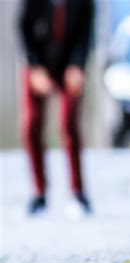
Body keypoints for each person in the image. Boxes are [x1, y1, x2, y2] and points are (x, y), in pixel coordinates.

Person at [19, 0, 94, 215]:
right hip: (38, 63)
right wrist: (34, 67)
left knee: (69, 124)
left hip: (69, 63)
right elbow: (23, 29)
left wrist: (78, 67)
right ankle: (39, 193)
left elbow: (86, 33)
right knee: (31, 123)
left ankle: (78, 193)